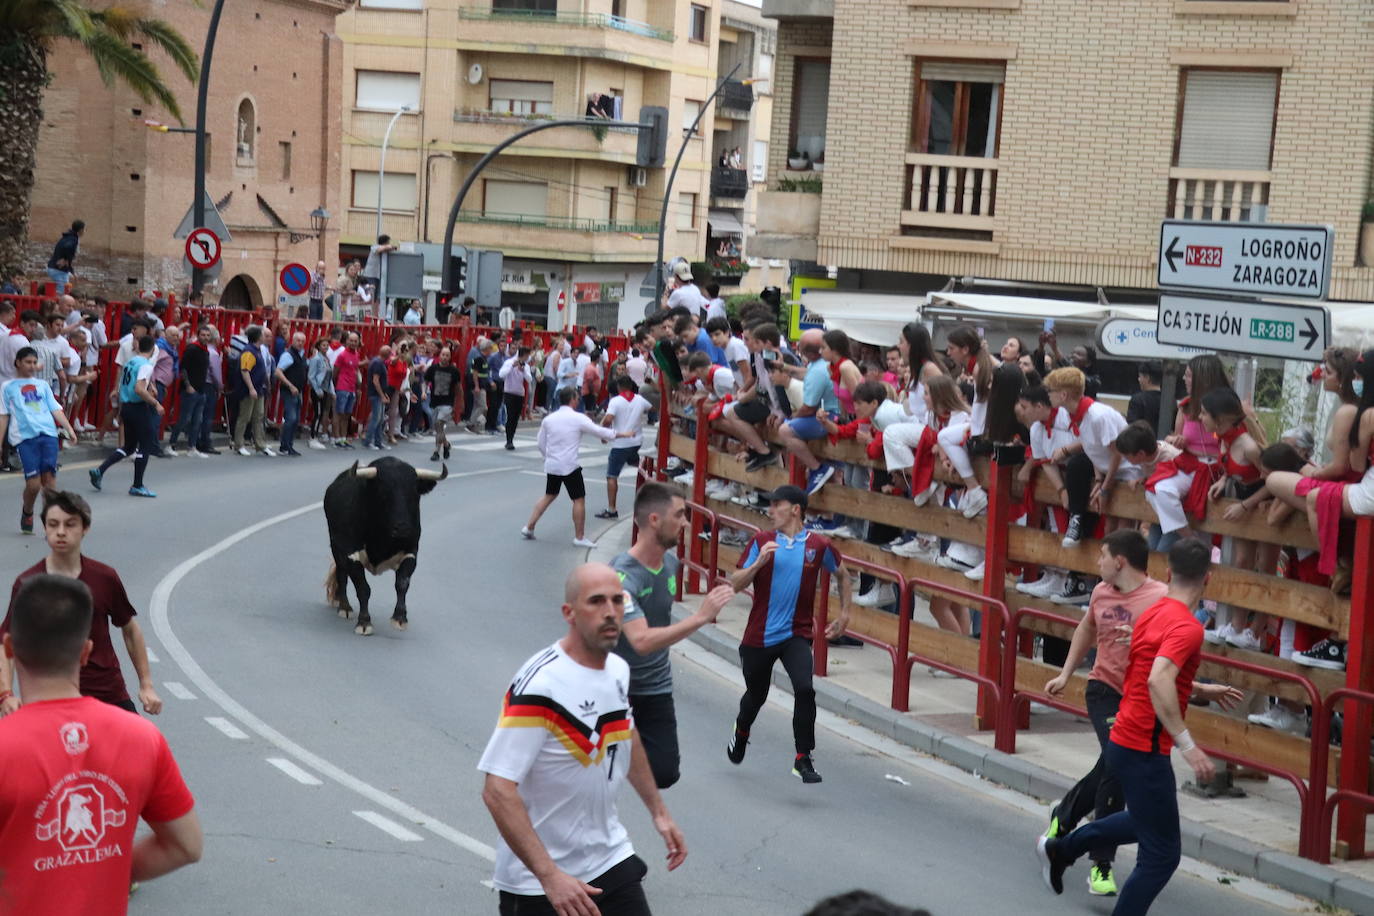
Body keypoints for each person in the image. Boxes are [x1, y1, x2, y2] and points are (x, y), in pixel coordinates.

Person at [1038, 538, 1243, 913]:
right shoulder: (1187, 626)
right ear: (1208, 580)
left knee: (1142, 821)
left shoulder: (1152, 612)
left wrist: (1198, 689)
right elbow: (1158, 680)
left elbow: (1155, 667)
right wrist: (1189, 745)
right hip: (1144, 746)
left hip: (1126, 739)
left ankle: (1061, 848)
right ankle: (1064, 850)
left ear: (1167, 573)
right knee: (1162, 854)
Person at [478, 562, 687, 915]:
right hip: (538, 884)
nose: (610, 612)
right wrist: (550, 876)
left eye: (617, 601)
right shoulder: (542, 685)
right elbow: (497, 790)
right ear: (569, 613)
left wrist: (660, 812)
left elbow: (626, 735)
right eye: (596, 602)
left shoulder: (618, 670)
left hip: (609, 858)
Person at [0, 573, 201, 911]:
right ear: (85, 652)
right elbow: (187, 845)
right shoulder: (141, 737)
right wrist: (106, 868)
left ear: (9, 648)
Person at [1041, 530, 1169, 897]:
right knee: (1118, 763)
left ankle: (1063, 819)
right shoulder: (1100, 592)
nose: (1097, 562)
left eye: (1102, 555)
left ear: (1120, 561)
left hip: (1141, 696)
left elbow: (1174, 643)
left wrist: (1144, 636)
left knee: (1112, 765)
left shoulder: (1159, 597)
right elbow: (1086, 629)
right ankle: (1100, 863)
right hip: (1105, 690)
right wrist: (1066, 673)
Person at [611, 484, 735, 788]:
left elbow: (726, 582)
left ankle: (622, 755)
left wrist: (755, 568)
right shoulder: (622, 578)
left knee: (665, 774)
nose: (686, 523)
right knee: (596, 775)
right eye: (680, 515)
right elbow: (639, 642)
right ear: (654, 520)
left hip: (656, 687)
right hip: (616, 690)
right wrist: (700, 617)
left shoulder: (669, 564)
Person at [726, 484, 851, 784]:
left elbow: (843, 575)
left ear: (795, 510)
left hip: (796, 634)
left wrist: (845, 614)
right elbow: (735, 583)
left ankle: (803, 757)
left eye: (775, 505)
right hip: (759, 636)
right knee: (757, 695)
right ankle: (741, 731)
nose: (770, 511)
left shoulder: (819, 545)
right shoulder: (761, 541)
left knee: (805, 689)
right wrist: (758, 564)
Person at [1, 488, 162, 718]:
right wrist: (5, 694)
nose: (61, 532)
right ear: (45, 529)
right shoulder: (28, 584)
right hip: (50, 698)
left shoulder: (105, 577)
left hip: (108, 694)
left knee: (140, 746)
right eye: (53, 524)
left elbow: (130, 629)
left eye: (70, 524)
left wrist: (146, 684)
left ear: (85, 528)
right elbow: (6, 642)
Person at [522, 387, 626, 547]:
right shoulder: (578, 418)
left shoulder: (549, 419)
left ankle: (529, 526)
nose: (578, 401)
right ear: (572, 399)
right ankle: (579, 536)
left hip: (553, 464)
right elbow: (599, 431)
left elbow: (541, 443)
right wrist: (621, 434)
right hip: (569, 465)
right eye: (577, 398)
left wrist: (547, 457)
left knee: (549, 494)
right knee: (578, 499)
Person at [0, 347, 77, 533]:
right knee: (33, 485)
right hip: (24, 438)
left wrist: (68, 428)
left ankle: (51, 523)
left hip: (48, 434)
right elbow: (3, 416)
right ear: (18, 362)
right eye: (28, 362)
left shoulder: (43, 385)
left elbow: (55, 409)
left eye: (35, 362)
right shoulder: (7, 387)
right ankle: (28, 511)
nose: (32, 366)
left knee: (49, 481)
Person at [90, 334, 163, 498]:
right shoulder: (146, 365)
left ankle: (100, 470)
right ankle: (137, 485)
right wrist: (155, 403)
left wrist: (150, 385)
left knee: (128, 447)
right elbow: (139, 388)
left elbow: (128, 382)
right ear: (152, 349)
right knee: (145, 445)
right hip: (138, 407)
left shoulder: (131, 361)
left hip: (127, 407)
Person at [597, 377, 653, 519]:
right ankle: (649, 495)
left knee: (612, 476)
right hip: (636, 442)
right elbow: (652, 408)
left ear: (619, 387)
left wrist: (605, 434)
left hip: (620, 444)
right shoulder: (640, 399)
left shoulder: (615, 401)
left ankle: (611, 509)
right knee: (640, 468)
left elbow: (608, 419)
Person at [167, 324, 212, 457]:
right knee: (184, 419)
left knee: (197, 420)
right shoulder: (192, 349)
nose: (205, 337)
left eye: (208, 335)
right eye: (203, 335)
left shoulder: (205, 350)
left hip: (200, 390)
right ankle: (171, 444)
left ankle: (192, 447)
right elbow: (183, 368)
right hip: (190, 390)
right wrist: (187, 385)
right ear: (198, 335)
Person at [232, 326, 274, 457]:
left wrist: (266, 383)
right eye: (262, 334)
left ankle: (260, 445)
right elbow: (245, 371)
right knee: (245, 417)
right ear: (258, 337)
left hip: (259, 389)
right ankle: (239, 444)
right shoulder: (249, 352)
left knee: (258, 417)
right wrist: (251, 388)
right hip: (249, 390)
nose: (264, 336)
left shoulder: (258, 350)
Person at [274, 331, 308, 456]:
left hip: (298, 391)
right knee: (291, 418)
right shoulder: (288, 355)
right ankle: (285, 446)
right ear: (292, 341)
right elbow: (278, 372)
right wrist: (290, 385)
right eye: (298, 340)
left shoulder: (302, 355)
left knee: (295, 419)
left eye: (302, 341)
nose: (300, 343)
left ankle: (289, 445)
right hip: (289, 391)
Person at [426, 345, 461, 462]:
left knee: (439, 423)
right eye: (443, 355)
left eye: (447, 355)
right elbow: (425, 381)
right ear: (439, 356)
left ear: (450, 357)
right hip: (435, 401)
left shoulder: (454, 371)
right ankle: (445, 444)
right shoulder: (433, 369)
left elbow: (458, 387)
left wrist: (460, 402)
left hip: (447, 402)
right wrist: (423, 392)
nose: (445, 357)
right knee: (438, 428)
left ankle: (436, 451)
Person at [498, 346, 534, 450]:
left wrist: (523, 371)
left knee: (515, 418)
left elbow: (529, 379)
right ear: (523, 355)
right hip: (509, 392)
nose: (528, 358)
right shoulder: (509, 362)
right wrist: (511, 367)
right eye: (527, 355)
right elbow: (501, 374)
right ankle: (508, 440)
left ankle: (511, 438)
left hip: (520, 393)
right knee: (510, 416)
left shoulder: (525, 365)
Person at [332, 331, 361, 448]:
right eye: (351, 341)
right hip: (342, 387)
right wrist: (335, 385)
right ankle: (336, 438)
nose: (353, 343)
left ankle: (343, 438)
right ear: (347, 341)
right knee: (339, 413)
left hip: (351, 388)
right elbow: (335, 371)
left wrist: (357, 386)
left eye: (355, 341)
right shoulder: (342, 355)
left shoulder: (357, 355)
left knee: (347, 415)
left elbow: (355, 371)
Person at [307, 338, 334, 449]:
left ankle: (316, 436)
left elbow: (329, 378)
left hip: (325, 390)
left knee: (321, 413)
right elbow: (311, 376)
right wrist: (317, 390)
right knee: (317, 413)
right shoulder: (316, 359)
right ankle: (313, 437)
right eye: (323, 345)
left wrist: (332, 391)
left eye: (327, 345)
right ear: (319, 346)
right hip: (318, 390)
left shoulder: (326, 359)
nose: (326, 347)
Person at [360, 234, 397, 305]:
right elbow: (381, 249)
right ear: (385, 242)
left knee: (375, 296)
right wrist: (390, 246)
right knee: (370, 294)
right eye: (388, 242)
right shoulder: (374, 247)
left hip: (377, 276)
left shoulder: (385, 249)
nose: (389, 243)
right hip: (370, 275)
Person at [46, 219, 84, 287]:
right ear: (81, 230)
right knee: (62, 294)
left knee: (65, 290)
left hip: (55, 268)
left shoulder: (67, 237)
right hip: (58, 270)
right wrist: (65, 259)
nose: (84, 231)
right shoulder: (73, 239)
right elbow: (67, 247)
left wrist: (72, 271)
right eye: (84, 229)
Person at [1127, 361, 1162, 433]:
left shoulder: (1137, 400)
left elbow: (1132, 428)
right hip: (1164, 443)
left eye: (1140, 376)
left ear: (1147, 378)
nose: (1139, 379)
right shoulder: (1170, 401)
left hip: (1142, 442)